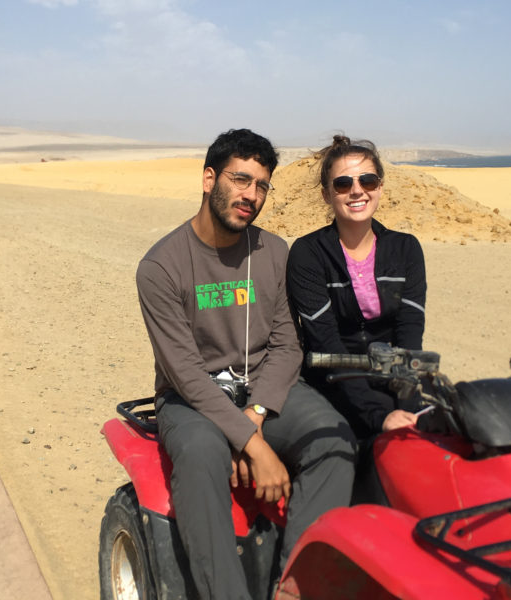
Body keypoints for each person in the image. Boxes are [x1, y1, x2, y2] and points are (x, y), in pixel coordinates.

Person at [136, 128, 356, 599]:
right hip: (191, 400)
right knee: (200, 455)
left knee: (333, 440)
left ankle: (295, 588)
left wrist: (253, 418)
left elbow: (287, 346)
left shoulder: (273, 252)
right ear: (208, 179)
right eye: (240, 180)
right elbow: (185, 374)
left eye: (261, 185)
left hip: (263, 392)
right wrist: (253, 446)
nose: (251, 195)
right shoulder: (161, 267)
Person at [286, 135, 427, 440]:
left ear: (380, 187)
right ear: (326, 195)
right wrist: (379, 416)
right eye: (343, 184)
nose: (357, 190)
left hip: (394, 382)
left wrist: (408, 406)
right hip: (331, 385)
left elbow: (410, 333)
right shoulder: (308, 254)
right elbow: (326, 341)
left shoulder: (406, 249)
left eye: (368, 180)